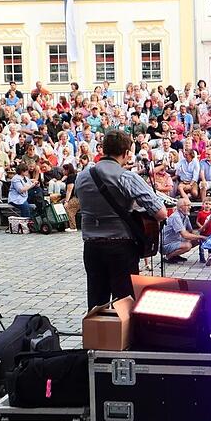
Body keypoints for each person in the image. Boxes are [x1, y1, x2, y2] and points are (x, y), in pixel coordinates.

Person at [74, 130, 167, 310]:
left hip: (92, 247)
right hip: (120, 248)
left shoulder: (82, 176)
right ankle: (123, 338)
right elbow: (160, 213)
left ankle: (98, 337)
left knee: (96, 303)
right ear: (125, 153)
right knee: (124, 304)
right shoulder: (126, 176)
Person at [161, 198, 206, 262]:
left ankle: (175, 255)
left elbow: (191, 231)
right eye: (188, 205)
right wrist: (201, 237)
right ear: (181, 207)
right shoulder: (176, 217)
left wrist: (203, 232)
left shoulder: (185, 216)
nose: (190, 207)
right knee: (188, 246)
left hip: (176, 240)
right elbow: (185, 235)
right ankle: (168, 257)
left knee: (197, 240)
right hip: (166, 245)